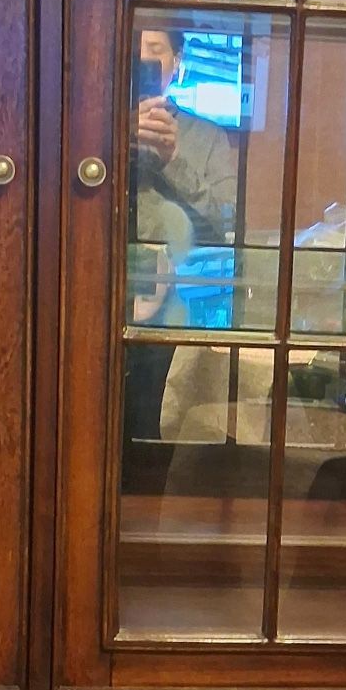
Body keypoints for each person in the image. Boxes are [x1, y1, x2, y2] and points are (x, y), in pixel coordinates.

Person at [124, 26, 237, 470]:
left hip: (178, 305)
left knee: (157, 425)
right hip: (95, 292)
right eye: (134, 51)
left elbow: (224, 224)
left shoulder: (207, 136)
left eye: (156, 51)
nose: (144, 60)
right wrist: (112, 139)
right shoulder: (85, 126)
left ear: (176, 63)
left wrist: (174, 160)